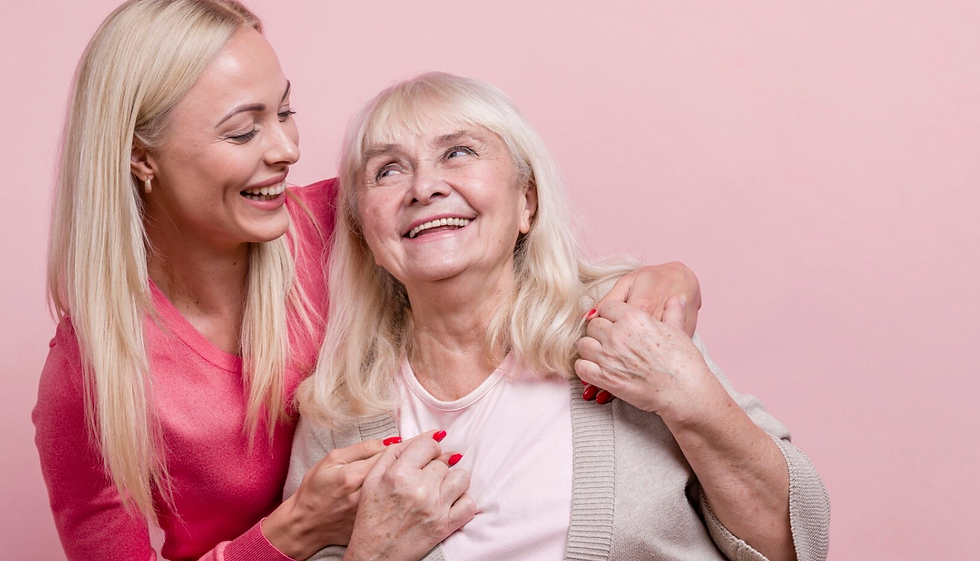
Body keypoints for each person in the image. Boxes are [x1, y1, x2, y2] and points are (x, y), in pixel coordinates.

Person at [33, 0, 704, 561]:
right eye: (244, 132)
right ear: (141, 158)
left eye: (285, 112)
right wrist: (290, 532)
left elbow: (512, 244)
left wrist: (669, 279)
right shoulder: (88, 373)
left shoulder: (348, 224)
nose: (287, 149)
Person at [287, 72, 830, 561]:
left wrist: (691, 396)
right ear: (366, 236)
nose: (424, 187)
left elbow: (791, 545)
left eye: (458, 153)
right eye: (388, 170)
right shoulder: (338, 409)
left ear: (527, 202)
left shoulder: (622, 326)